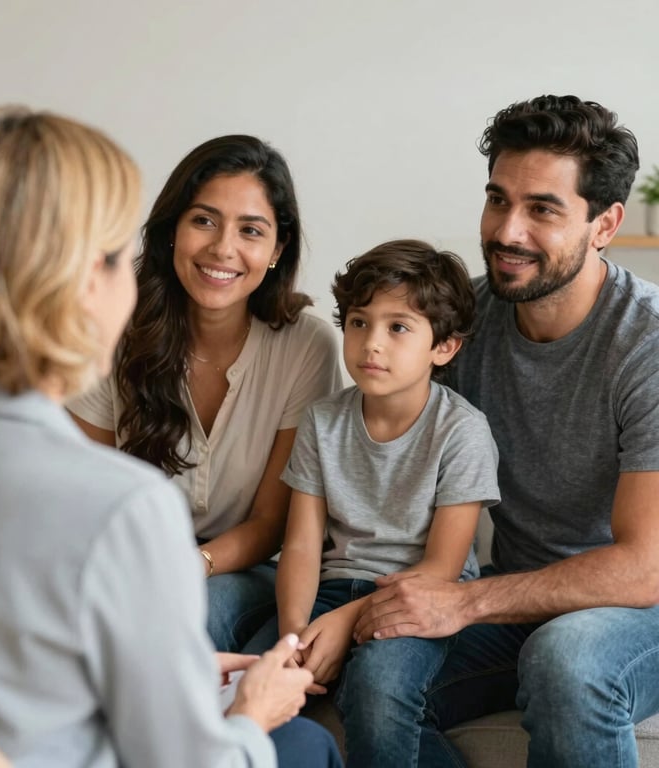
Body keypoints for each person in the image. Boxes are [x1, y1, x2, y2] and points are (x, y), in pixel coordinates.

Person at [0, 106, 342, 768]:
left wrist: (162, 664)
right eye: (111, 258)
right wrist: (253, 714)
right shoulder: (118, 509)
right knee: (303, 746)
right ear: (71, 287)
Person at [353, 94, 659, 768]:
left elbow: (644, 567)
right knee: (377, 682)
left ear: (605, 224)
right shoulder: (463, 321)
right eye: (498, 200)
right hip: (519, 589)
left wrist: (465, 602)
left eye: (542, 209)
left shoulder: (647, 344)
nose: (507, 231)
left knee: (568, 661)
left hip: (642, 608)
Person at [68, 134, 342, 652]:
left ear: (277, 249)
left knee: (194, 609)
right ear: (172, 229)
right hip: (124, 559)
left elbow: (271, 521)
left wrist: (195, 564)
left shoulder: (307, 345)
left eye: (251, 230)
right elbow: (86, 494)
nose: (223, 248)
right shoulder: (111, 326)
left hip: (243, 566)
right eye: (204, 220)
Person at [244, 240, 500, 767]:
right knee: (254, 685)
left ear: (445, 346)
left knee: (379, 691)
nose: (371, 344)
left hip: (421, 604)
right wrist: (294, 637)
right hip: (329, 591)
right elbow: (301, 544)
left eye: (398, 327)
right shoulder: (322, 420)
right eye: (359, 323)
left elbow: (440, 570)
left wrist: (344, 626)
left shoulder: (462, 432)